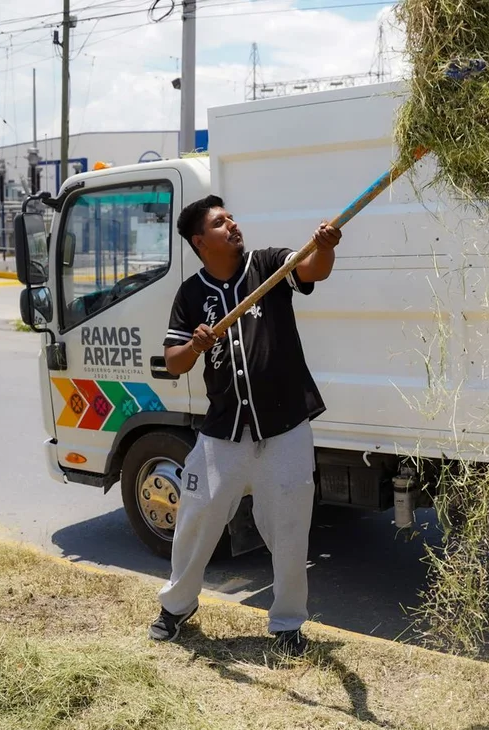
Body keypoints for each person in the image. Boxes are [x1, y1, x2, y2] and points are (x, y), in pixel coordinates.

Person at [147, 193, 340, 655]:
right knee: (196, 519)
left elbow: (313, 270)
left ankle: (288, 624)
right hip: (223, 433)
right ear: (200, 240)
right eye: (220, 222)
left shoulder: (268, 265)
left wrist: (326, 245)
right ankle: (177, 607)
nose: (232, 224)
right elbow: (174, 362)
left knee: (291, 531)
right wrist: (194, 345)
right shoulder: (191, 294)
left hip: (285, 429)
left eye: (231, 217)